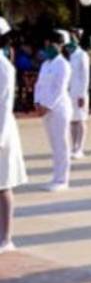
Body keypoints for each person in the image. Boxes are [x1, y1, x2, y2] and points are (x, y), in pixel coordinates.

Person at [0, 18, 27, 251]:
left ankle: (6, 238)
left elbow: (5, 104)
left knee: (3, 185)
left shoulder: (4, 68)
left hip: (2, 133)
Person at [34, 30, 72, 191]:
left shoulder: (63, 64)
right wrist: (37, 102)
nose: (47, 46)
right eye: (47, 43)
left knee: (61, 144)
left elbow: (59, 88)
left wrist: (47, 106)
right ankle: (56, 176)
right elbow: (39, 85)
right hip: (45, 108)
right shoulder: (46, 64)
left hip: (58, 108)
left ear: (60, 45)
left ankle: (62, 179)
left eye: (51, 44)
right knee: (54, 145)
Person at [66, 29, 90, 159]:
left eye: (72, 38)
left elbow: (85, 76)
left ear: (78, 39)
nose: (70, 42)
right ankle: (73, 146)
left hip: (79, 92)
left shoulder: (82, 55)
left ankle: (80, 148)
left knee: (80, 120)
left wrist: (82, 94)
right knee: (72, 121)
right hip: (69, 93)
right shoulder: (68, 55)